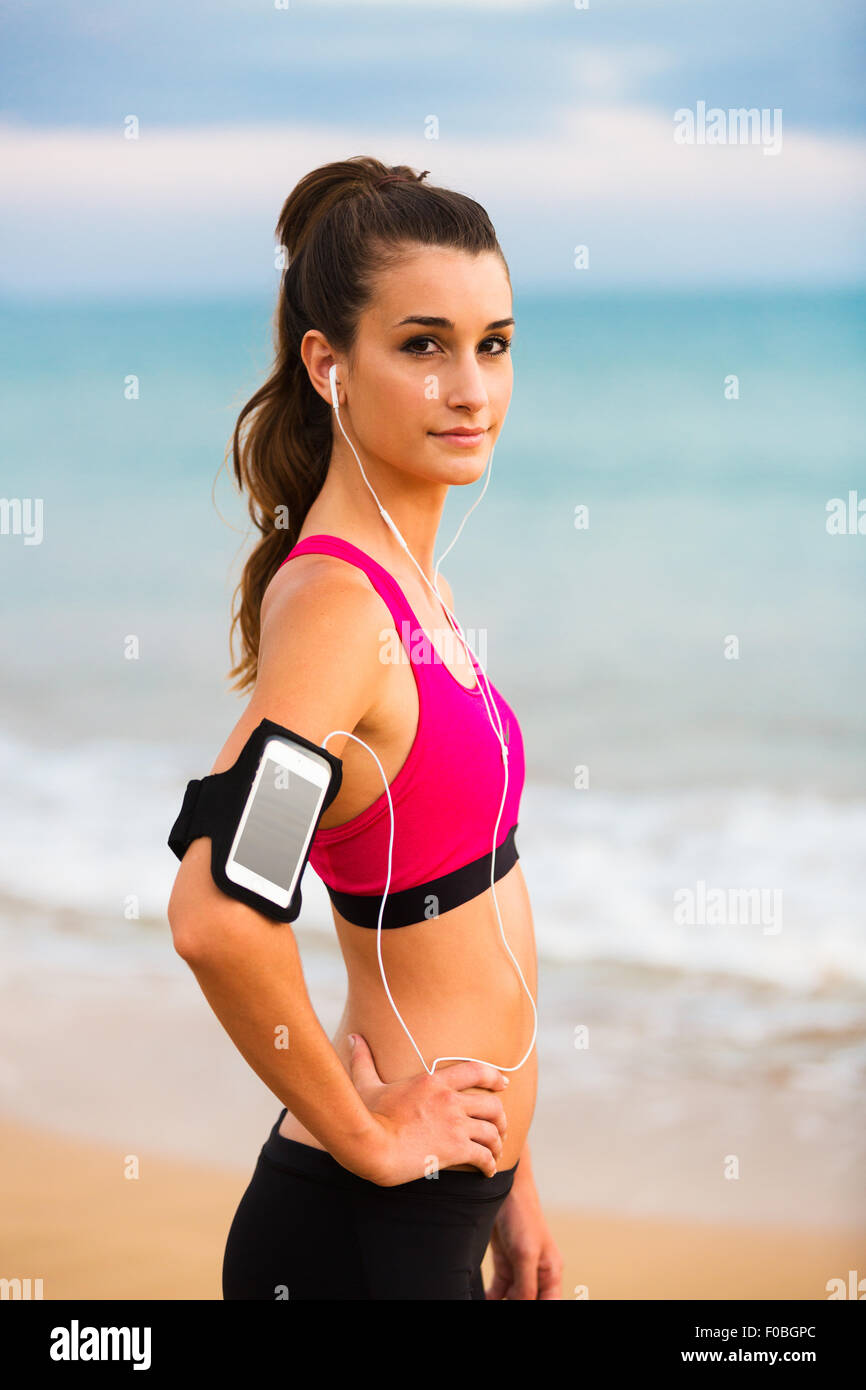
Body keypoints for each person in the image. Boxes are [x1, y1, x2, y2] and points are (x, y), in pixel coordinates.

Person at [167, 156, 563, 1300]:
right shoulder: (342, 613)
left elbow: (467, 928)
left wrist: (513, 1180)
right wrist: (363, 1132)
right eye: (423, 344)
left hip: (450, 1196)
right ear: (328, 364)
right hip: (366, 1228)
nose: (470, 388)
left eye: (492, 344)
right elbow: (217, 911)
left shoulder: (411, 585)